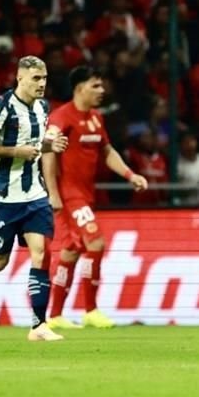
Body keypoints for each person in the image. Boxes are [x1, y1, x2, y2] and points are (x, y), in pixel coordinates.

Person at [0, 56, 69, 340]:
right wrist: (17, 152)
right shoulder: (0, 107)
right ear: (20, 78)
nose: (41, 84)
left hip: (34, 195)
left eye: (44, 78)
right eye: (36, 78)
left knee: (41, 253)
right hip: (1, 197)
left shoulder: (42, 107)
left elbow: (34, 143)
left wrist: (49, 144)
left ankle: (38, 325)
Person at [43, 66, 149, 330]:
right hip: (68, 194)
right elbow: (47, 152)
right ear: (80, 88)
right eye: (96, 86)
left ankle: (54, 315)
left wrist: (130, 174)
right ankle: (90, 310)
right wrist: (53, 193)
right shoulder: (60, 117)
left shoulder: (96, 118)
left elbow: (107, 151)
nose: (102, 91)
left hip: (86, 194)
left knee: (71, 251)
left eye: (102, 85)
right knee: (96, 242)